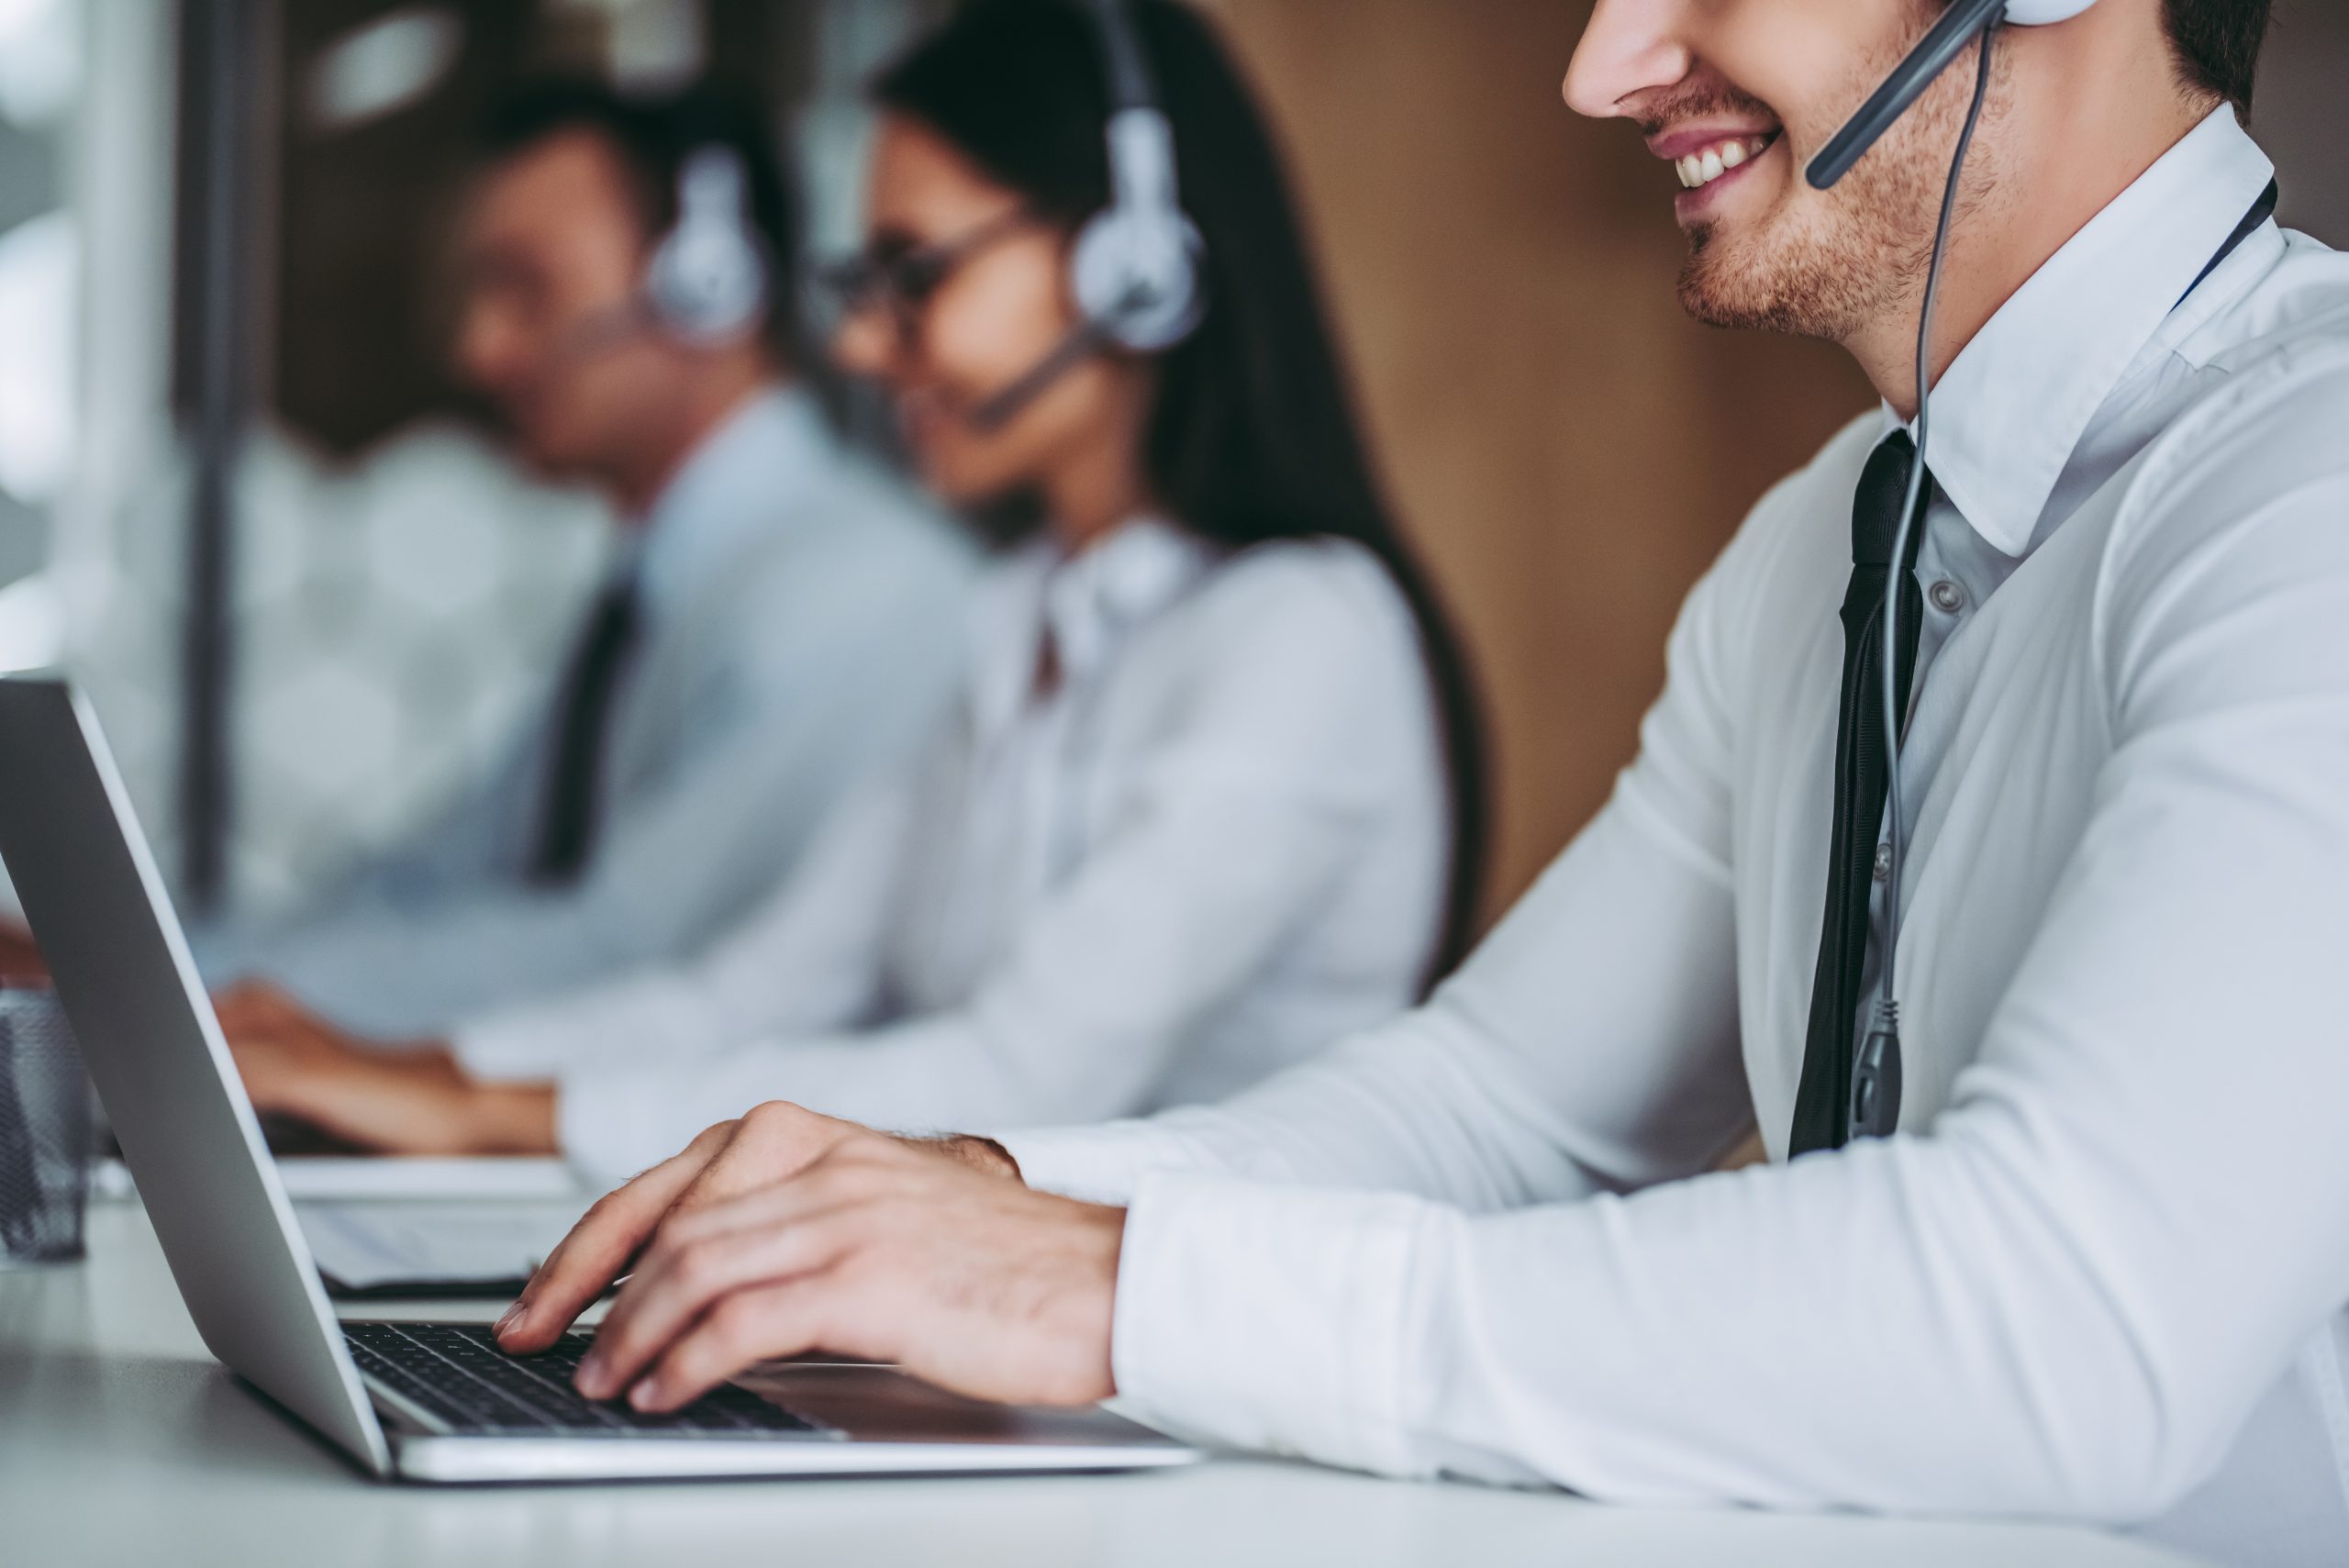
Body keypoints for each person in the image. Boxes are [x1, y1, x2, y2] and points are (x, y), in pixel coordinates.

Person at [495, 1, 2349, 1562]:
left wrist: (1107, 1281)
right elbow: (1500, 1112)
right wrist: (959, 1196)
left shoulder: (2304, 479)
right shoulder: (1828, 543)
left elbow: (2063, 1312)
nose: (1600, 65)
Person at [218, 0, 1488, 1179]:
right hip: (1009, 1349)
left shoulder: (1305, 634)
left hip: (1212, 1383)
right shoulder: (1026, 619)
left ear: (1134, 263)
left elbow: (1025, 1074)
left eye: (917, 276)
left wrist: (486, 1113)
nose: (864, 345)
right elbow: (753, 989)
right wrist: (414, 1071)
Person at [195, 82, 976, 1040]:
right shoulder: (651, 591)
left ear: (709, 283)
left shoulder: (855, 588)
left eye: (527, 288)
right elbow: (438, 881)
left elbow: (619, 946)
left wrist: (182, 995)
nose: (480, 349)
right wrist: (152, 963)